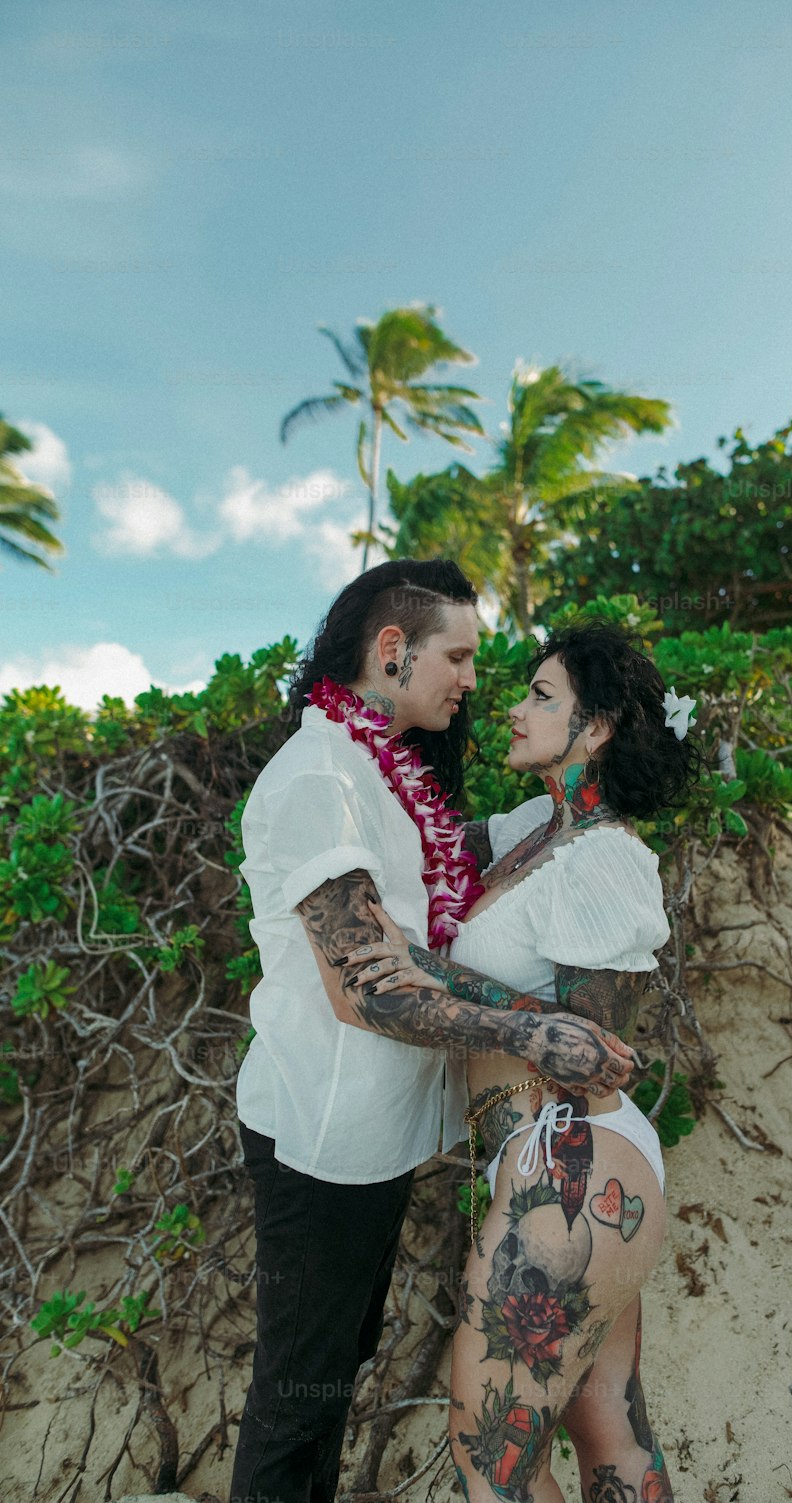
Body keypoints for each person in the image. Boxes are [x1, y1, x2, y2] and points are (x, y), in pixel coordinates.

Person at [229, 563, 637, 1503]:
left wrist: (586, 794)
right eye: (456, 655)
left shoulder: (380, 771)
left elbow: (456, 862)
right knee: (297, 1394)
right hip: (323, 1140)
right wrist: (536, 1036)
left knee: (335, 1366)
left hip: (378, 1138)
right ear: (391, 649)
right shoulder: (317, 778)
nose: (468, 679)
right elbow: (364, 991)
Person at [342, 621, 703, 1503]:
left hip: (570, 1166)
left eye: (542, 697)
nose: (515, 707)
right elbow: (412, 846)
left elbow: (591, 1052)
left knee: (492, 1464)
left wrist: (432, 971)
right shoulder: (534, 828)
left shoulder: (607, 856)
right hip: (545, 1173)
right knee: (609, 1426)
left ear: (599, 727)